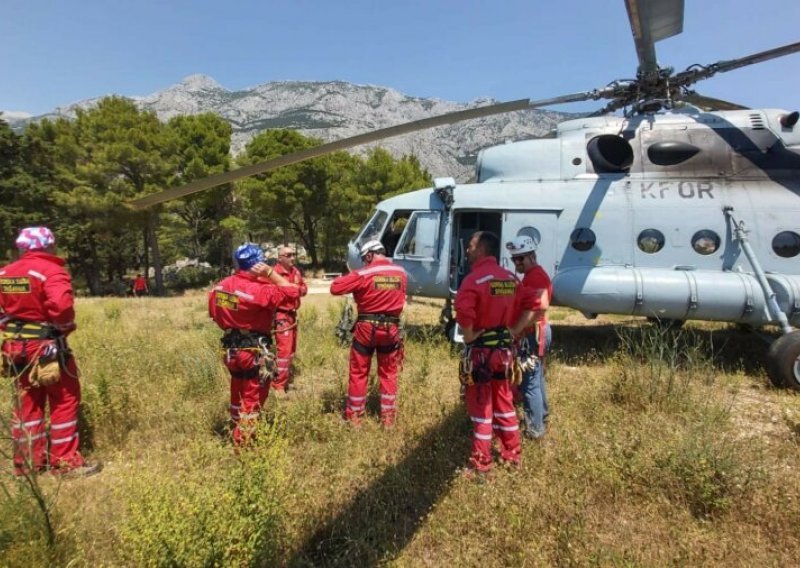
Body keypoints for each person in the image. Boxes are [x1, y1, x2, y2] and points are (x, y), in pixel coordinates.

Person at [0, 227, 101, 477]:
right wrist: (62, 330)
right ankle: (65, 463)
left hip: (15, 348)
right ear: (49, 246)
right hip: (47, 348)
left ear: (23, 248)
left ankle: (28, 465)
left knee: (27, 404)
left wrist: (11, 328)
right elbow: (62, 306)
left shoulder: (4, 273)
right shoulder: (51, 271)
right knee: (64, 399)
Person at [208, 243, 298, 445]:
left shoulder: (220, 286)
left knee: (237, 389)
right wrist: (271, 274)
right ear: (258, 264)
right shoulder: (259, 291)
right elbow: (293, 293)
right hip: (252, 350)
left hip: (230, 349)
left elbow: (214, 314)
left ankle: (234, 425)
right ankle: (244, 442)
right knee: (253, 396)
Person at [454, 231, 520, 475]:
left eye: (471, 245)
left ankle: (482, 464)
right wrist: (511, 332)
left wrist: (469, 335)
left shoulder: (473, 281)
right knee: (505, 404)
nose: (468, 250)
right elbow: (528, 307)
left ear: (481, 249)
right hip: (504, 355)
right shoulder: (511, 278)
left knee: (482, 410)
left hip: (481, 356)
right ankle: (512, 456)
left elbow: (463, 310)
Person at [330, 240, 407, 428]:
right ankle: (388, 419)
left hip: (366, 329)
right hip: (391, 330)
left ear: (370, 255)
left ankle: (355, 418)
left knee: (358, 373)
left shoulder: (363, 273)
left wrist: (354, 276)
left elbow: (335, 288)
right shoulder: (401, 273)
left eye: (365, 259)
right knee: (389, 373)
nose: (365, 262)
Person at [507, 236, 553, 440]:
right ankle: (542, 415)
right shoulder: (533, 275)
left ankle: (535, 429)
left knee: (529, 382)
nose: (517, 263)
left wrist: (516, 329)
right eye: (514, 259)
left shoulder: (535, 276)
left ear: (532, 256)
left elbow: (540, 305)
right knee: (536, 377)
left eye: (521, 258)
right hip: (538, 330)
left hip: (533, 333)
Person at [271, 246, 308, 394]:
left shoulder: (295, 271)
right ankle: (278, 386)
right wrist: (293, 289)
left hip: (292, 315)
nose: (292, 257)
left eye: (294, 254)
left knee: (291, 351)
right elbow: (274, 294)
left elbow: (304, 288)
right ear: (280, 258)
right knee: (284, 352)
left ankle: (286, 380)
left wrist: (295, 289)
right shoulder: (273, 274)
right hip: (280, 315)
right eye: (288, 255)